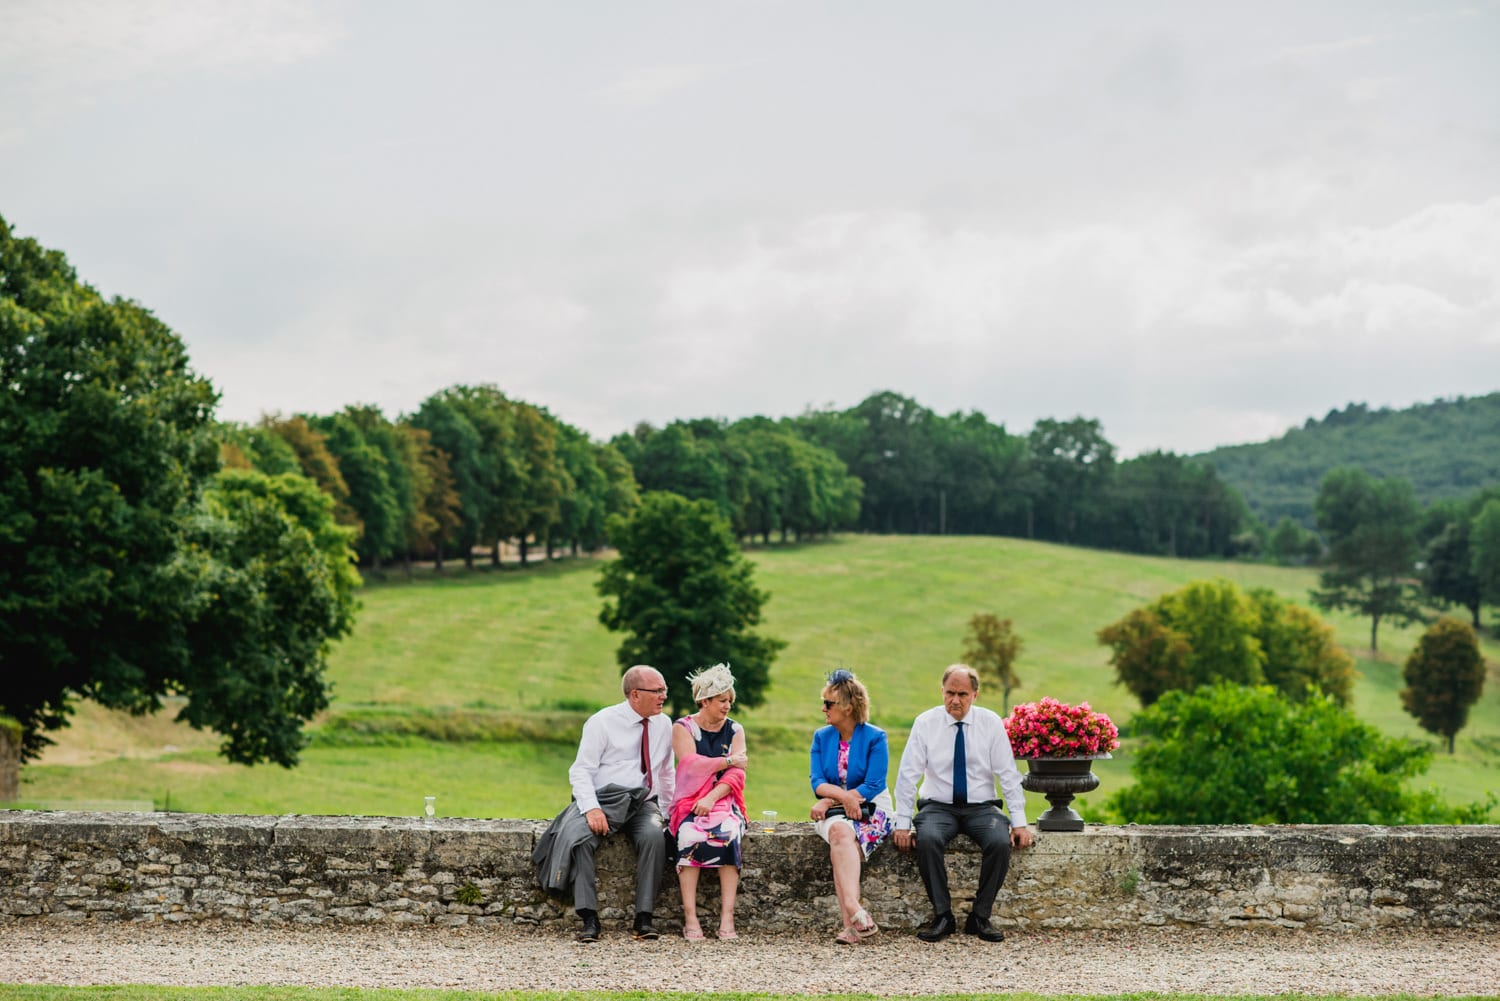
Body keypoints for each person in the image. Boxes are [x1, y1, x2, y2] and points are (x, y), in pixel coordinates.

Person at [532, 664, 675, 943]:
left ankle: (643, 917)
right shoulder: (601, 722)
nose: (663, 696)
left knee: (655, 836)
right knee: (581, 842)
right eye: (657, 691)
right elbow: (581, 770)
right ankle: (589, 917)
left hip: (642, 803)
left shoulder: (664, 724)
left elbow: (666, 773)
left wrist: (668, 812)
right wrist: (592, 808)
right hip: (605, 800)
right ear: (635, 694)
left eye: (664, 690)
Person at [893, 663, 1033, 943]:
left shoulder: (990, 723)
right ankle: (943, 916)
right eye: (949, 693)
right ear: (941, 692)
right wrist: (902, 823)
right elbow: (908, 775)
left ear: (975, 695)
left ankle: (980, 917)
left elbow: (1007, 773)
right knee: (928, 839)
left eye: (962, 694)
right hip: (937, 806)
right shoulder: (925, 723)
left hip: (981, 807)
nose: (955, 700)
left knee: (999, 842)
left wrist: (1019, 821)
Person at [809, 668, 894, 945]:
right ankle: (856, 911)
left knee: (842, 849)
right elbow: (817, 781)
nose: (823, 709)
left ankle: (850, 926)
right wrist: (839, 799)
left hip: (872, 807)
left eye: (828, 703)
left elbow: (874, 783)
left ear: (847, 706)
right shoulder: (822, 737)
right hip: (835, 809)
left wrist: (838, 798)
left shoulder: (875, 737)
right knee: (840, 835)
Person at [668, 663, 749, 941]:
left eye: (729, 700)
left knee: (729, 835)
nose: (728, 706)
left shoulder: (735, 729)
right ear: (705, 701)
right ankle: (691, 918)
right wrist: (726, 761)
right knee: (688, 835)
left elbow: (738, 775)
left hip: (724, 800)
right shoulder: (683, 727)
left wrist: (713, 796)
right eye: (722, 700)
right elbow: (690, 765)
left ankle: (727, 917)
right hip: (690, 801)